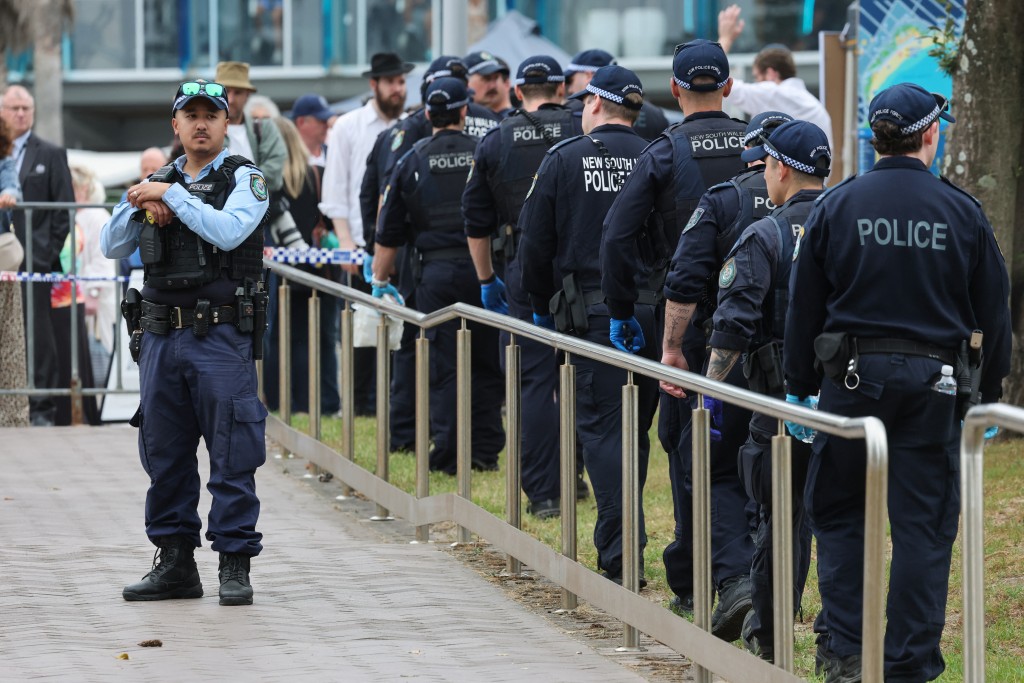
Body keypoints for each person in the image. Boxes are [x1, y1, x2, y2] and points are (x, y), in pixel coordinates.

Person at [784, 83, 1011, 682]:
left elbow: (804, 301)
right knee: (923, 528)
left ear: (872, 137)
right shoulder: (962, 212)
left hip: (851, 382)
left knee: (840, 517)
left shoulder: (837, 204)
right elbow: (996, 311)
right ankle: (909, 663)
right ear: (929, 135)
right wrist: (988, 397)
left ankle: (848, 654)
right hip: (934, 387)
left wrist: (798, 384)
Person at [101, 79, 270, 607]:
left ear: (226, 124)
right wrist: (144, 201)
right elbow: (111, 245)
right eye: (190, 115)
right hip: (159, 337)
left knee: (231, 450)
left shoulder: (246, 179)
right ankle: (175, 565)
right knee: (165, 452)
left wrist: (171, 196)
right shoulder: (159, 179)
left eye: (211, 115)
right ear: (175, 126)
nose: (200, 123)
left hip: (219, 335)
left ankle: (234, 565)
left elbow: (228, 232)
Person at [601, 38, 749, 638]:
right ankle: (742, 573)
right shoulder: (761, 144)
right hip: (761, 321)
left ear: (676, 90)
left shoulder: (663, 153)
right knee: (756, 449)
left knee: (690, 449)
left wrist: (623, 309)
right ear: (731, 88)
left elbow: (616, 234)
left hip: (687, 324)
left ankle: (703, 577)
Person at [518, 65, 657, 581]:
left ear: (594, 106)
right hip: (650, 312)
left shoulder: (563, 160)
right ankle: (626, 536)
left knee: (600, 431)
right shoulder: (654, 154)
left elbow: (535, 244)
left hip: (593, 315)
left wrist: (537, 304)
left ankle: (622, 553)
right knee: (635, 430)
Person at [701, 119, 830, 662]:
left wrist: (707, 391)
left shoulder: (767, 233)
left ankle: (771, 629)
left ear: (777, 168)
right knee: (842, 520)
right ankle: (840, 640)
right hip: (849, 399)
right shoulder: (849, 221)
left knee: (781, 518)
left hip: (778, 402)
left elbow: (732, 325)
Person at [656, 110, 791, 623]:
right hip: (808, 366)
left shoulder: (724, 199)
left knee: (719, 470)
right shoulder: (830, 205)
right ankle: (776, 596)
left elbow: (685, 281)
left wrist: (672, 348)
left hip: (733, 358)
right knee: (789, 480)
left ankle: (736, 582)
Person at [463, 55, 582, 517]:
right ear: (561, 87)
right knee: (581, 371)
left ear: (517, 92)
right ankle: (577, 479)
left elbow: (475, 221)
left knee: (533, 379)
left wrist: (486, 280)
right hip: (579, 266)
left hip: (519, 266)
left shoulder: (495, 140)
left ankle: (544, 494)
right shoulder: (582, 128)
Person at [372, 77, 504, 474]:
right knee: (486, 360)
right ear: (465, 111)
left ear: (427, 113)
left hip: (436, 273)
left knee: (442, 365)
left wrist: (379, 280)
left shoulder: (411, 158)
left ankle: (447, 453)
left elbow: (388, 229)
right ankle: (483, 451)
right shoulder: (486, 151)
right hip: (485, 269)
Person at [321, 52, 413, 416]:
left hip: (402, 248)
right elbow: (336, 190)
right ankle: (359, 409)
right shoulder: (348, 126)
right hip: (361, 247)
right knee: (362, 337)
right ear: (374, 84)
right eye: (391, 81)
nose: (398, 88)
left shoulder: (412, 124)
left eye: (402, 81)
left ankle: (396, 409)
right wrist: (346, 246)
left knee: (401, 338)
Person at [1, 85, 75, 427]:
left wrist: (43, 252)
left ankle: (41, 407)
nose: (19, 114)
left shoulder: (50, 153)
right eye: (13, 108)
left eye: (25, 108)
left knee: (37, 334)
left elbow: (64, 211)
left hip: (34, 262)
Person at [262, 115, 340, 416]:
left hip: (276, 274)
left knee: (276, 341)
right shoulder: (316, 176)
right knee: (312, 341)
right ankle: (315, 404)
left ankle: (282, 404)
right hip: (314, 272)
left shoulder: (267, 183)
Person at [717, 4, 834, 151]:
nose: (756, 84)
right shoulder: (813, 105)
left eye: (757, 77)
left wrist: (725, 38)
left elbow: (718, 80)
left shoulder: (773, 93)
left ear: (771, 73)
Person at [71, 165, 117, 381]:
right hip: (76, 299)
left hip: (95, 303)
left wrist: (93, 295)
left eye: (74, 187)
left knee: (96, 361)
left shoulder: (96, 215)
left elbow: (102, 260)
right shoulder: (74, 216)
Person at [563, 48, 670, 141]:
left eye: (569, 80)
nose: (569, 88)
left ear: (589, 75)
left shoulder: (570, 111)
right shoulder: (656, 114)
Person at [0, 116, 28, 428]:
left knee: (9, 342)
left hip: (2, 263)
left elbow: (11, 185)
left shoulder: (4, 160)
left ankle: (11, 416)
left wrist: (8, 196)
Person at [464, 51, 514, 117]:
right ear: (466, 83)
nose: (493, 86)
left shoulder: (516, 121)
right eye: (486, 79)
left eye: (496, 78)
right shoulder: (459, 121)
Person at [290, 93, 332, 166]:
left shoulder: (332, 153)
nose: (327, 126)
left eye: (326, 120)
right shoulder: (287, 157)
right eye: (321, 121)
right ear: (301, 122)